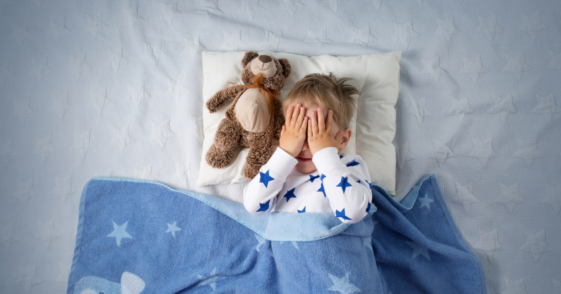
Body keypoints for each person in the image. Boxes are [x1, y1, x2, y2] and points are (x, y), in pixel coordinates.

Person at [243, 73, 373, 224]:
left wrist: (325, 155)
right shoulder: (281, 170)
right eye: (297, 134)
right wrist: (285, 153)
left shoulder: (349, 165)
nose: (304, 146)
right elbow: (253, 206)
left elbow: (353, 213)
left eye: (316, 135)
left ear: (343, 139)